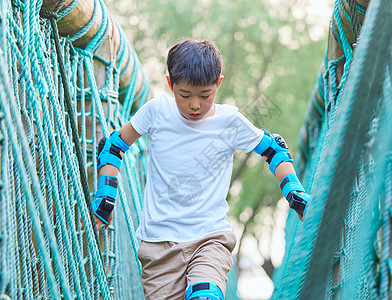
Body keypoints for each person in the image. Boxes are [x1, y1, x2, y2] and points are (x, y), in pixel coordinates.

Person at [93, 38, 310, 300]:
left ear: (218, 84)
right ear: (170, 83)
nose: (195, 105)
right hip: (159, 244)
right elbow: (113, 147)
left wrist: (293, 190)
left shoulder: (229, 121)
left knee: (205, 296)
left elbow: (274, 150)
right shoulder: (156, 112)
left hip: (209, 237)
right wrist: (105, 198)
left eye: (205, 95)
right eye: (184, 95)